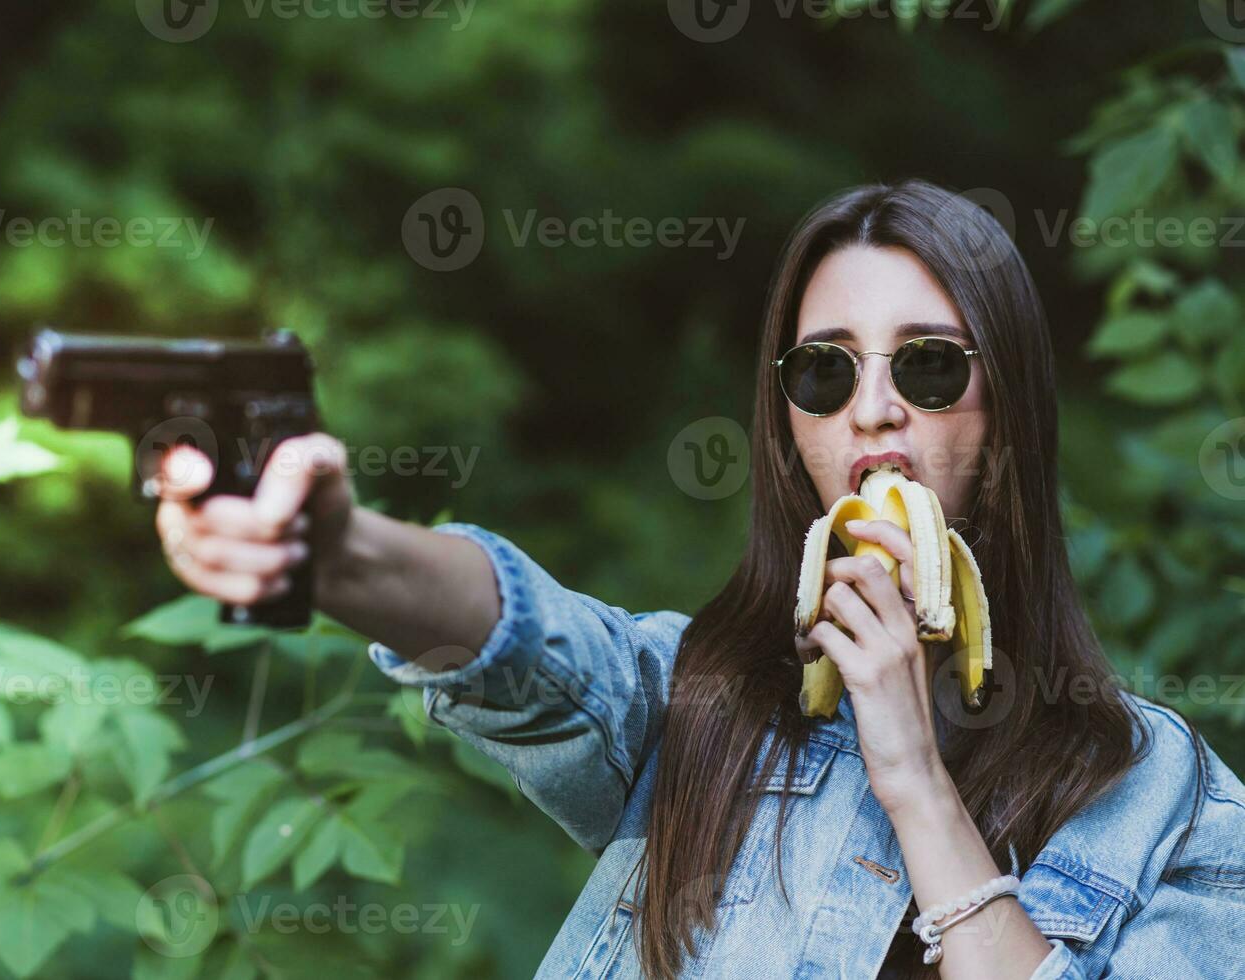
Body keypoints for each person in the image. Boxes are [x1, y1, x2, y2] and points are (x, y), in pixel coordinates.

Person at [152, 179, 1245, 979]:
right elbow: (526, 646)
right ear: (790, 434)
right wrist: (341, 553)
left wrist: (911, 774)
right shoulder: (705, 701)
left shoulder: (1166, 802)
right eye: (824, 371)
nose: (871, 408)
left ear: (1004, 424)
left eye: (927, 363)